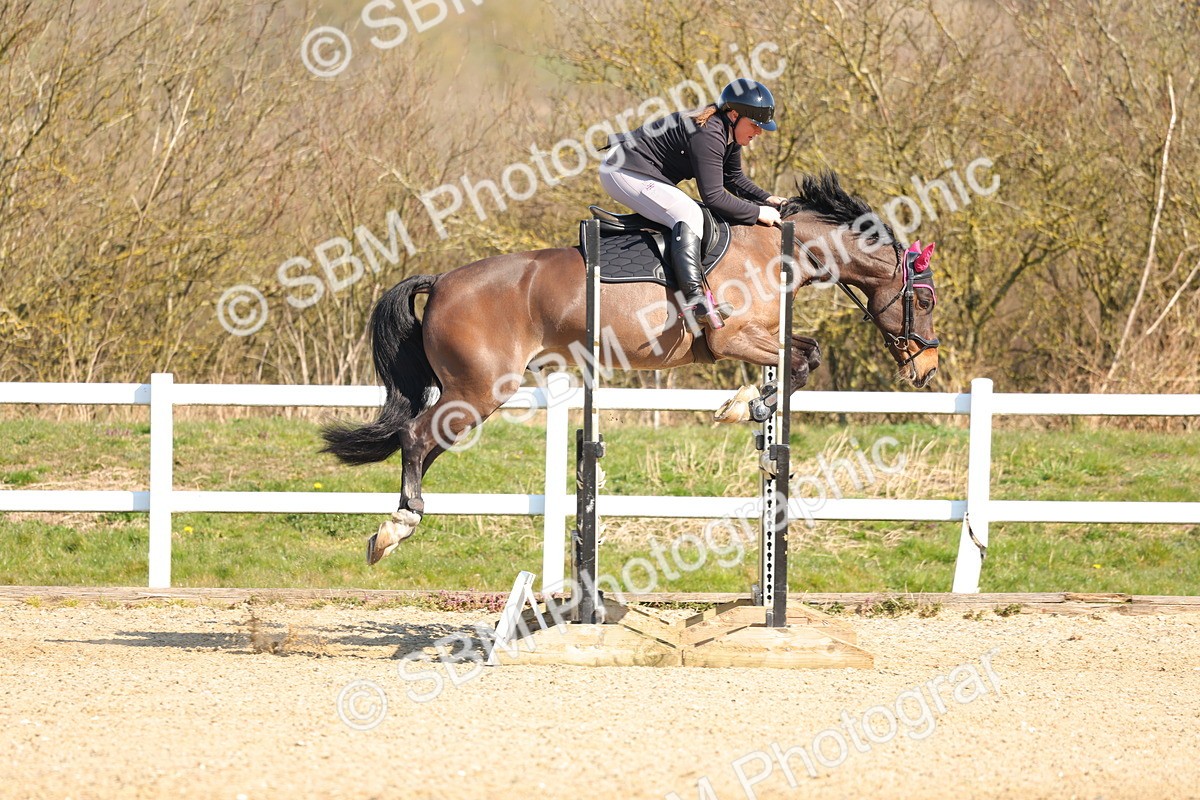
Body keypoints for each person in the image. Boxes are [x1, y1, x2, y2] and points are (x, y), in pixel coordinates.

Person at [599, 78, 786, 329]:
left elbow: (733, 178)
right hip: (623, 170)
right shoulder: (709, 133)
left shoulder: (727, 133)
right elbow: (715, 197)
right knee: (689, 213)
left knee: (692, 211)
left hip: (637, 170)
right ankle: (694, 301)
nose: (759, 132)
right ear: (734, 114)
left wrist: (766, 198)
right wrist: (757, 212)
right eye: (754, 125)